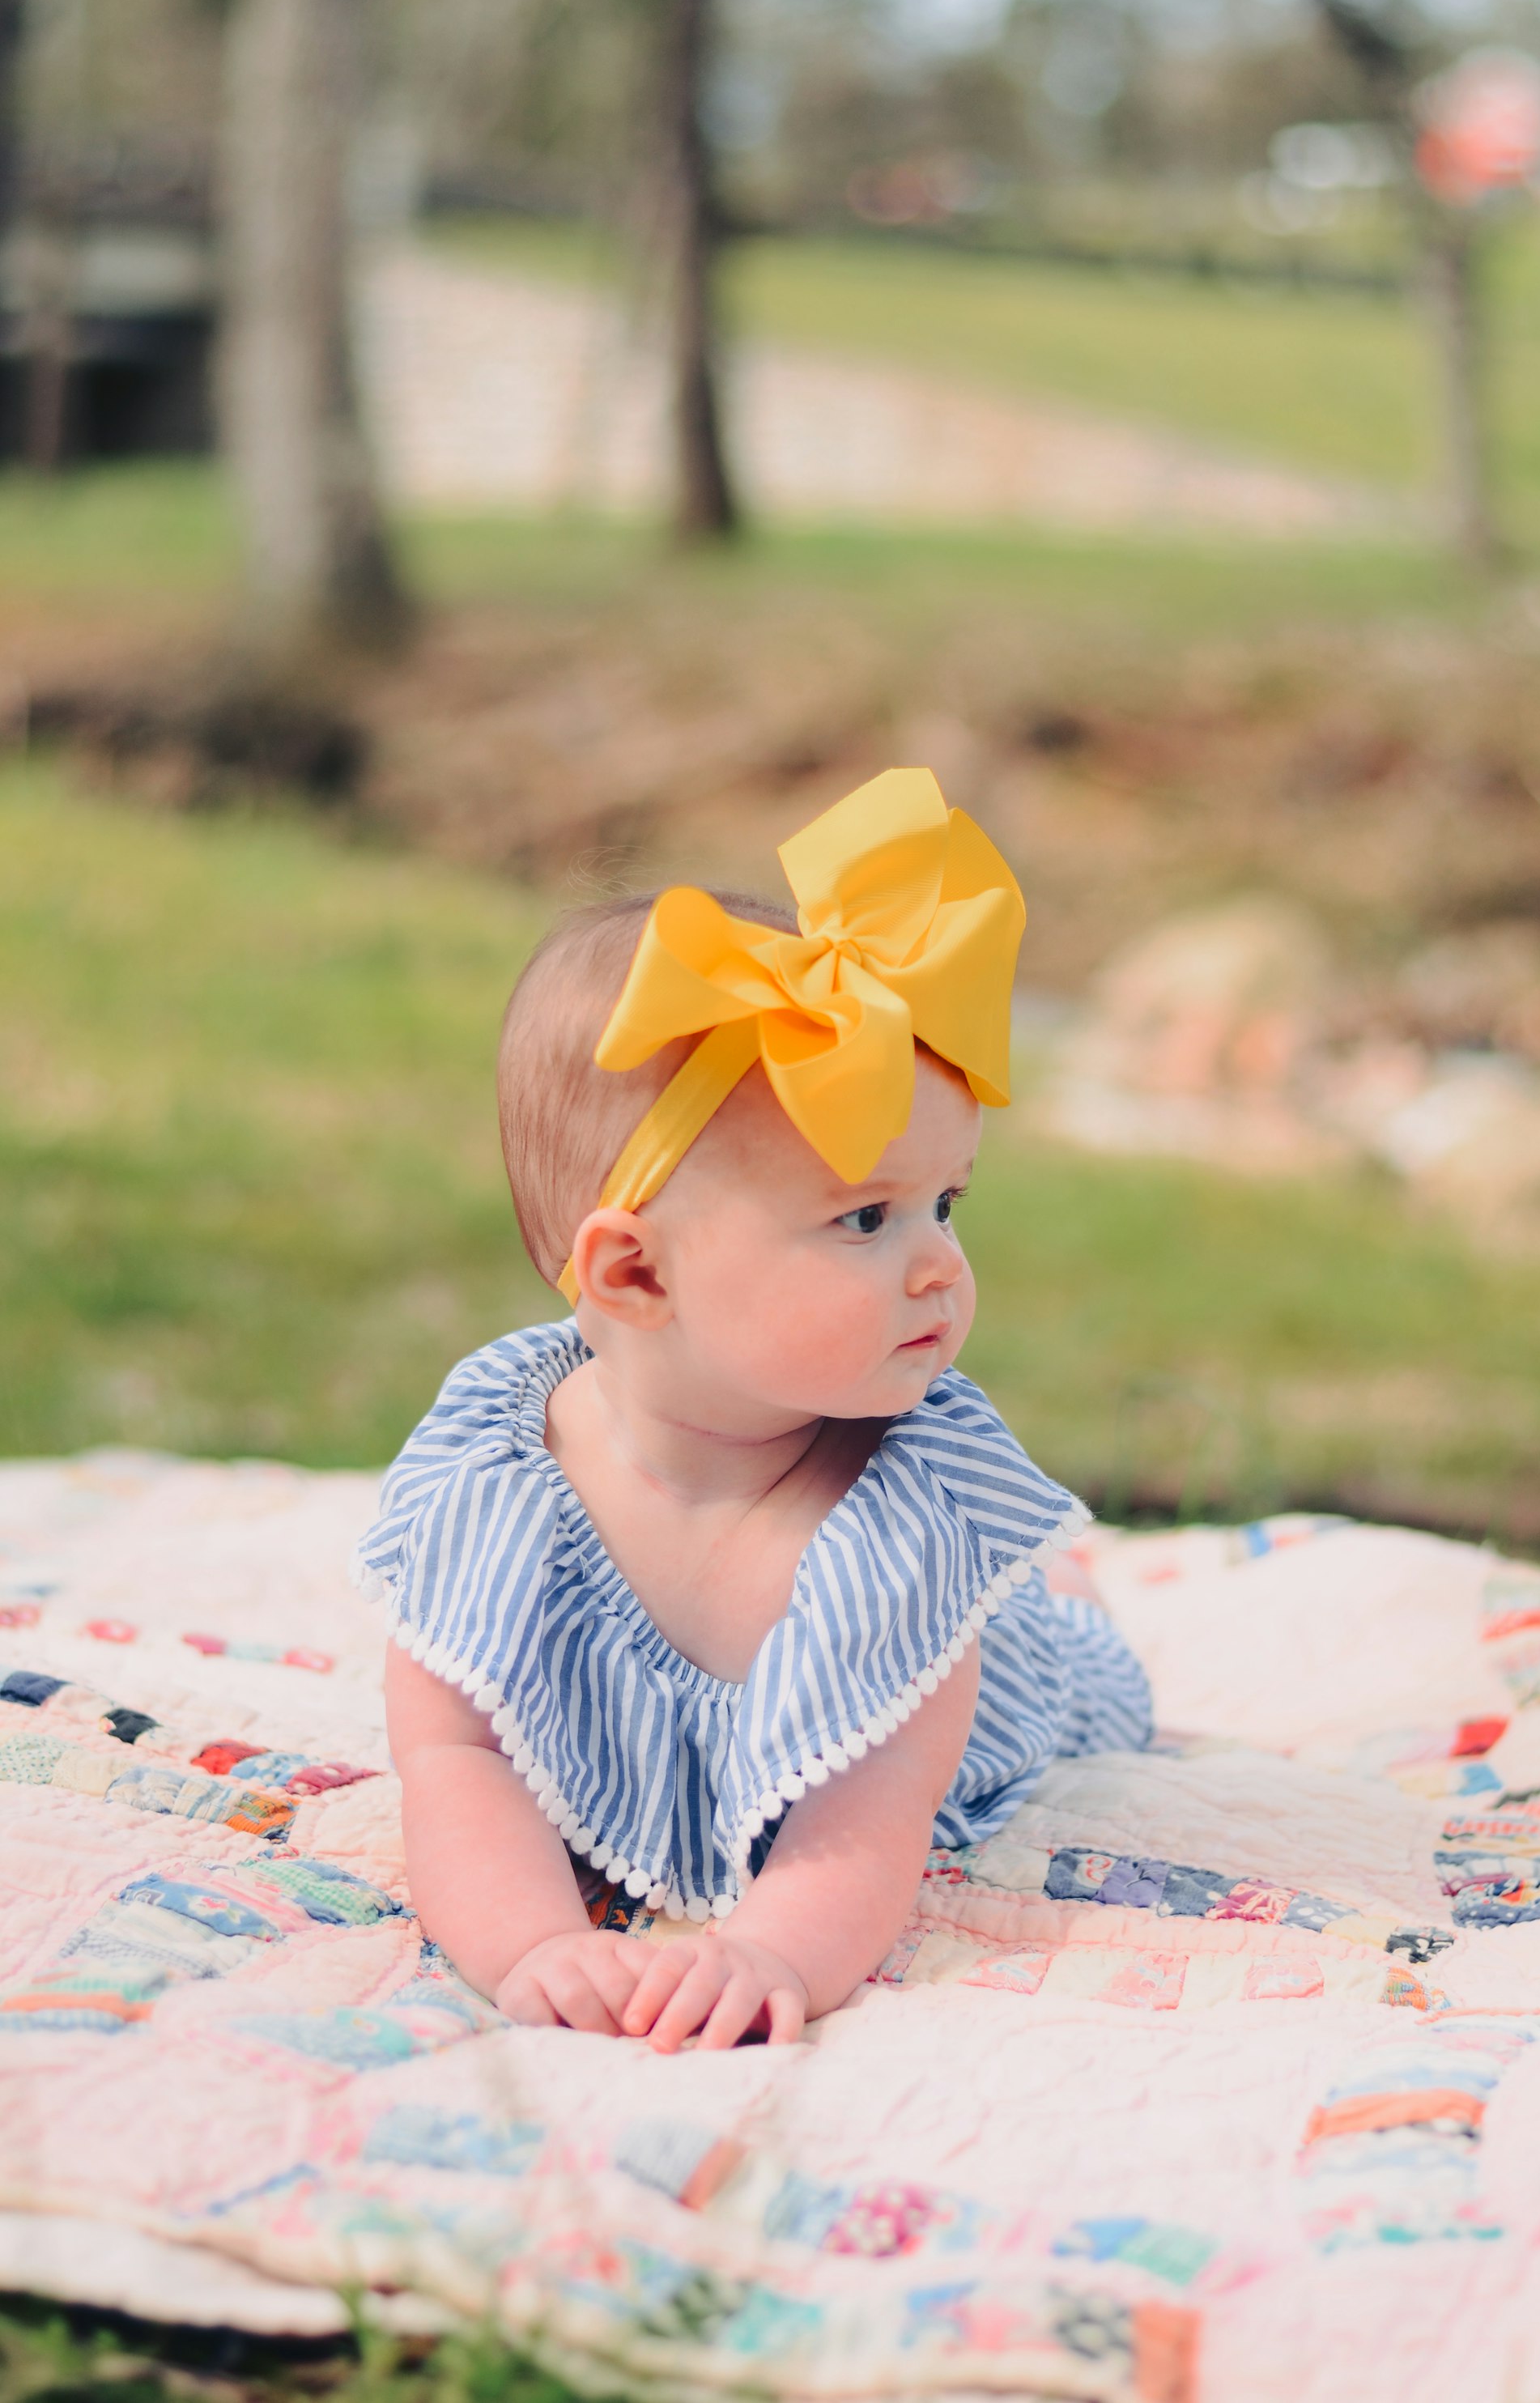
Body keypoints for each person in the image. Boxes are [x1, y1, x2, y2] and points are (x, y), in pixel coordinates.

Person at [355, 766, 1151, 2054]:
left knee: (1078, 1665)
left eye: (948, 1203)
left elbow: (868, 1825)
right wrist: (533, 1946)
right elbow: (457, 1760)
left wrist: (770, 1948)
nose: (940, 1264)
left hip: (954, 1725)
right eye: (864, 1218)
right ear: (634, 1271)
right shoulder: (492, 1472)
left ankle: (1061, 1597)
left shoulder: (909, 1518)